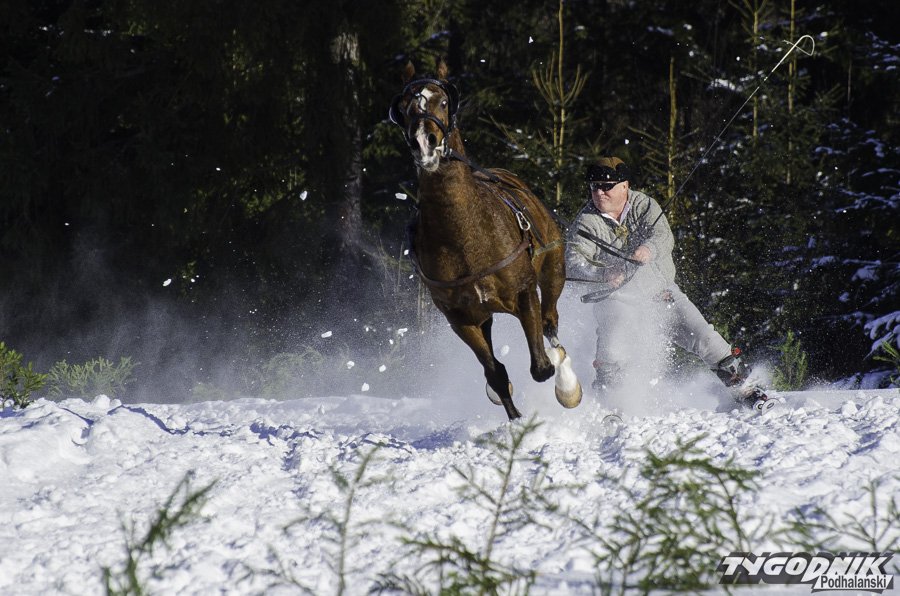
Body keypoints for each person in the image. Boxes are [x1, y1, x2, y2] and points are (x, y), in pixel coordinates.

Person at [565, 156, 763, 403]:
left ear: (624, 186)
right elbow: (574, 263)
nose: (599, 193)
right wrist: (602, 274)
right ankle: (609, 405)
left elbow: (663, 236)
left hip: (661, 293)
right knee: (612, 349)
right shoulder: (586, 221)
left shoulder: (644, 205)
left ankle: (745, 389)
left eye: (607, 186)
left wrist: (648, 249)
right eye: (594, 186)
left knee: (705, 337)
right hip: (616, 301)